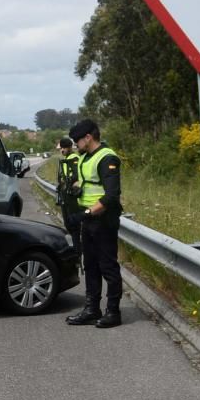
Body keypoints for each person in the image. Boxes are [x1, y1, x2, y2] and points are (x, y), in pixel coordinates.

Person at [65, 119, 124, 328]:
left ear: (88, 137)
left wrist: (85, 214)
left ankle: (113, 312)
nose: (75, 145)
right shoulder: (85, 157)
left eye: (77, 141)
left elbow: (111, 196)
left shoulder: (107, 158)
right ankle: (92, 309)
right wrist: (75, 187)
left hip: (103, 220)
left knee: (108, 266)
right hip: (89, 219)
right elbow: (89, 182)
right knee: (90, 266)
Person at [55, 137, 82, 250]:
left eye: (64, 148)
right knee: (67, 222)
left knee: (72, 223)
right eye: (61, 148)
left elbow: (75, 175)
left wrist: (68, 183)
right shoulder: (66, 158)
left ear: (69, 147)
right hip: (65, 194)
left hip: (71, 195)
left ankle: (77, 248)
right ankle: (76, 246)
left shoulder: (74, 158)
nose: (62, 150)